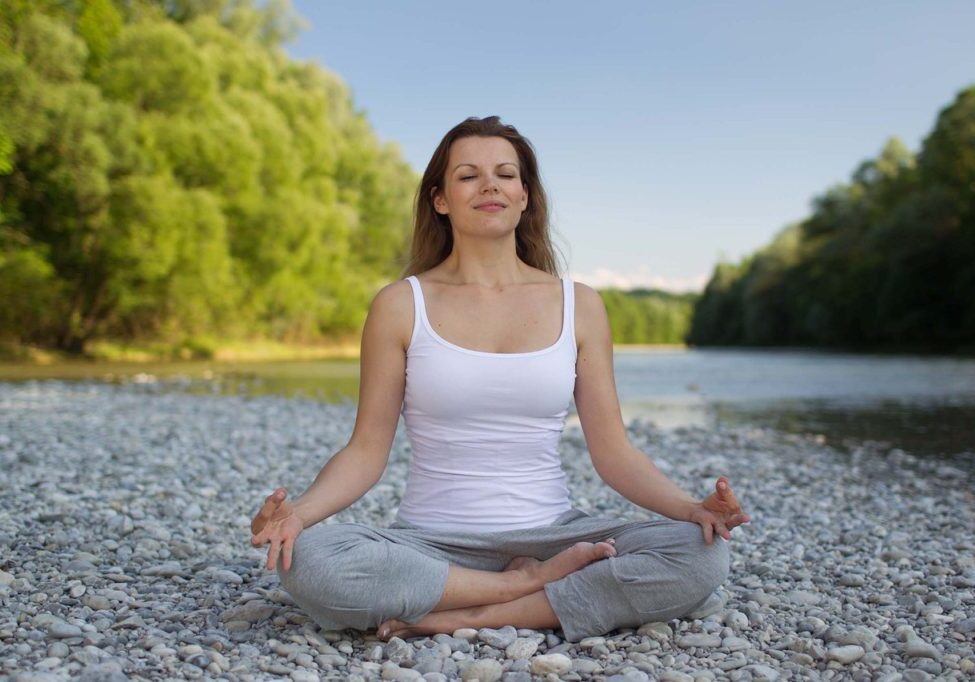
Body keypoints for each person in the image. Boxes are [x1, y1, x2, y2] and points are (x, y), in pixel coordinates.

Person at [249, 116, 751, 643]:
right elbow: (366, 451)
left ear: (525, 196)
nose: (490, 185)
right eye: (468, 176)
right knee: (309, 560)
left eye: (505, 174)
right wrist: (298, 514)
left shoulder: (580, 305)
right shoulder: (400, 305)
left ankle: (468, 612)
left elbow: (615, 453)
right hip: (432, 544)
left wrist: (690, 509)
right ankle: (529, 590)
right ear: (440, 199)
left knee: (701, 554)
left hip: (555, 535)